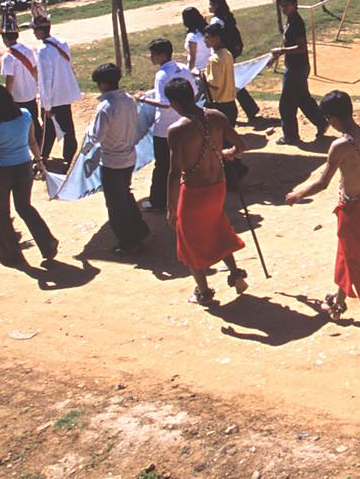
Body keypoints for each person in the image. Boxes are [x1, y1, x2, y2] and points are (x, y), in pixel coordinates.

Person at [287, 89, 360, 333]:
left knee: (357, 262)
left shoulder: (339, 146)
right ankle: (338, 302)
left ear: (333, 119)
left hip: (352, 211)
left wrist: (298, 194)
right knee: (348, 254)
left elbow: (322, 183)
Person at [164, 76, 248, 306]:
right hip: (218, 186)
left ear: (173, 103)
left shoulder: (177, 130)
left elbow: (174, 172)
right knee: (216, 228)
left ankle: (204, 291)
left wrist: (171, 207)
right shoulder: (217, 117)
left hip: (195, 191)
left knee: (189, 240)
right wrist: (227, 154)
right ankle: (236, 273)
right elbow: (241, 146)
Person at [0, 84, 59, 268]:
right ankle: (48, 243)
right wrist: (39, 161)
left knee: (2, 212)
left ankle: (10, 255)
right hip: (24, 167)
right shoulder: (25, 115)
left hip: (2, 170)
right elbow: (32, 141)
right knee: (25, 207)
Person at [86, 64, 150, 254]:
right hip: (129, 157)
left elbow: (97, 136)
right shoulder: (129, 100)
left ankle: (128, 242)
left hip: (112, 161)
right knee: (125, 195)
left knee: (116, 203)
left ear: (103, 84)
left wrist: (87, 138)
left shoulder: (105, 108)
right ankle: (138, 230)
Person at [139, 38, 193, 215]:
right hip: (185, 121)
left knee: (163, 166)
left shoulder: (162, 74)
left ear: (162, 55)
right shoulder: (183, 68)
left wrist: (142, 99)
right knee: (186, 162)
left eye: (153, 54)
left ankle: (158, 201)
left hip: (165, 127)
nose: (151, 57)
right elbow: (194, 90)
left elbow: (164, 103)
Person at [271, 0, 328, 146]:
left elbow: (301, 47)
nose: (283, 9)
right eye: (281, 6)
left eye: (286, 6)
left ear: (294, 5)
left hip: (296, 68)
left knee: (286, 104)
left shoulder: (296, 22)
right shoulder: (290, 20)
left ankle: (290, 135)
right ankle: (321, 122)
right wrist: (276, 56)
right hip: (299, 67)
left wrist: (282, 51)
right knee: (303, 99)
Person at [30, 11, 80, 168]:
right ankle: (67, 154)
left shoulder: (43, 50)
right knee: (66, 125)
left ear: (41, 30)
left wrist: (46, 104)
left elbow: (45, 80)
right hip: (65, 92)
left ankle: (43, 156)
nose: (33, 33)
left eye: (35, 30)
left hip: (53, 96)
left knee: (48, 127)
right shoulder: (62, 43)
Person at [208, 0, 263, 125]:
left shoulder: (216, 20)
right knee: (234, 81)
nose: (209, 8)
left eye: (211, 5)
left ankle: (237, 111)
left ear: (216, 6)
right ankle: (251, 108)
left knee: (227, 83)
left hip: (221, 55)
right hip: (230, 53)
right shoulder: (227, 17)